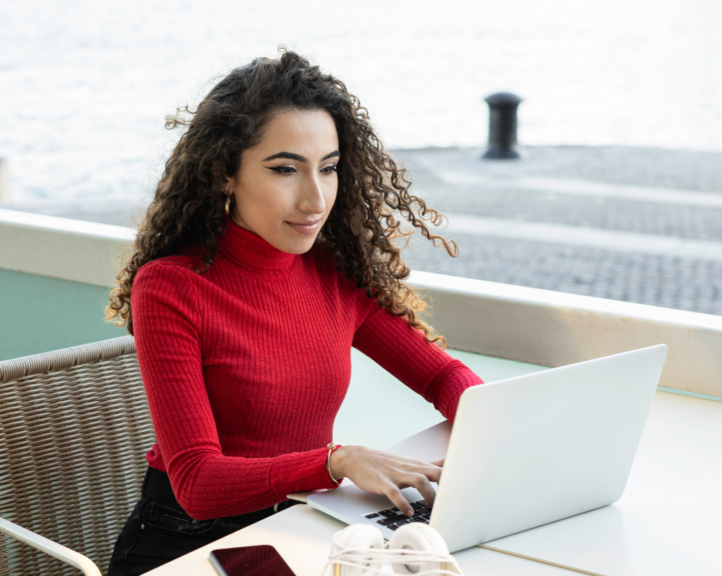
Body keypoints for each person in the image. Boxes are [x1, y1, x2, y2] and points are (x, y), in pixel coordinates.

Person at [104, 50, 484, 576]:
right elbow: (195, 482)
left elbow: (442, 372)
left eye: (328, 169)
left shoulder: (333, 270)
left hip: (298, 523)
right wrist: (337, 460)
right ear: (224, 175)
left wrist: (490, 422)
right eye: (285, 169)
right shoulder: (171, 287)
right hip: (189, 546)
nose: (315, 199)